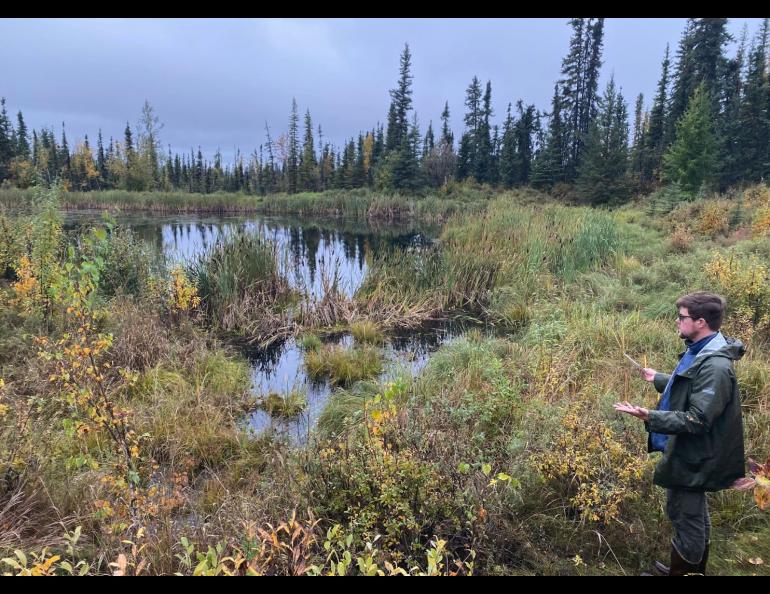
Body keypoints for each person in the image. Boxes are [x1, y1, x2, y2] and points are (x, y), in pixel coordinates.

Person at [614, 292, 746, 576]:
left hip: (696, 454)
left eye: (682, 317)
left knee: (685, 514)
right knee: (692, 513)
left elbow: (698, 419)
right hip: (695, 451)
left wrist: (650, 416)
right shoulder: (702, 348)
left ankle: (683, 571)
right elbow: (691, 386)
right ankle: (689, 568)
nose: (677, 321)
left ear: (700, 322)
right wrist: (661, 379)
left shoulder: (715, 365)